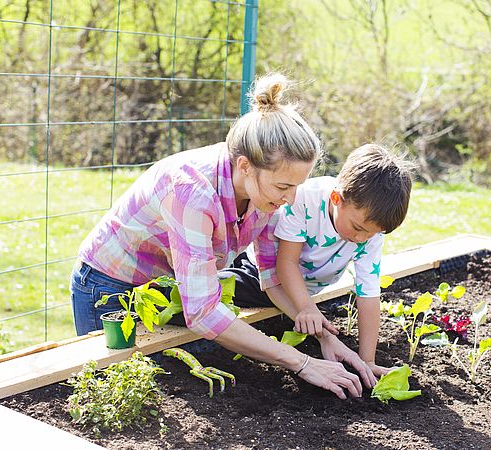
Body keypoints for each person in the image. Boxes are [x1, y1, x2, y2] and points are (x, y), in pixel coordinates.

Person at [70, 73, 371, 399]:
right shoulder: (192, 191)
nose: (292, 199)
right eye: (285, 187)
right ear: (245, 166)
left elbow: (271, 277)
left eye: (297, 186)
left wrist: (326, 338)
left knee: (177, 384)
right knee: (123, 394)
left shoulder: (265, 195)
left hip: (164, 288)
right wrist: (300, 362)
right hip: (109, 285)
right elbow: (202, 313)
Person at [222, 144, 413, 384]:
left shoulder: (369, 230)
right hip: (260, 274)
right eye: (357, 228)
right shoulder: (305, 199)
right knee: (215, 291)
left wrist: (368, 361)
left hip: (303, 288)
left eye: (373, 234)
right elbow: (286, 264)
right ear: (337, 199)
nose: (362, 239)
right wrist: (306, 308)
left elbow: (369, 293)